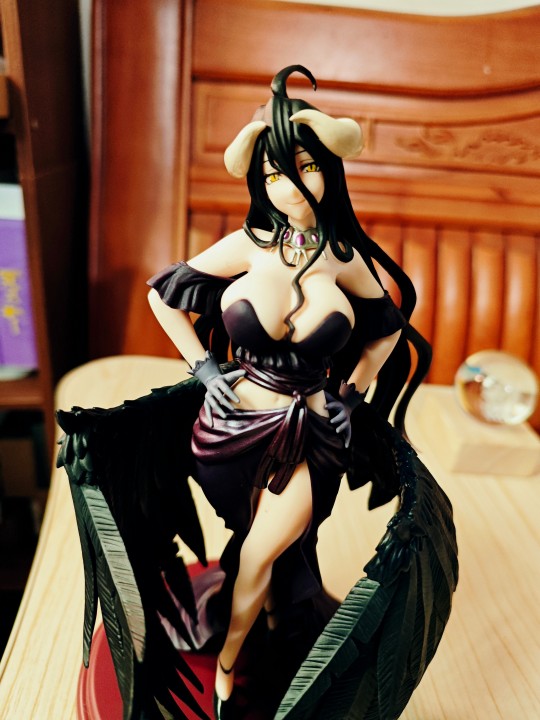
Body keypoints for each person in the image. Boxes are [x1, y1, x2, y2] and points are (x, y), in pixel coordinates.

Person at [146, 64, 409, 719]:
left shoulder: (344, 258)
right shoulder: (247, 246)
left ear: (329, 170)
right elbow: (163, 298)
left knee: (264, 552)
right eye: (271, 175)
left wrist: (353, 393)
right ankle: (273, 623)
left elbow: (386, 331)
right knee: (251, 543)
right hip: (229, 429)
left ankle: (229, 665)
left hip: (310, 433)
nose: (288, 187)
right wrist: (205, 371)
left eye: (304, 168)